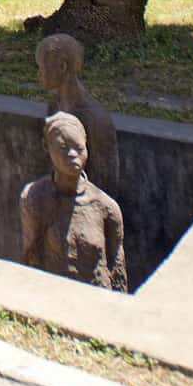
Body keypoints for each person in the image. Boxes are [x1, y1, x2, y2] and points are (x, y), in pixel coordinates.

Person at [19, 111, 127, 292]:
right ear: (47, 147)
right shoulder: (34, 198)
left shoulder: (106, 207)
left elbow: (118, 271)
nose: (72, 154)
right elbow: (30, 258)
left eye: (78, 148)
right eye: (63, 147)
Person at [35, 33, 120, 198]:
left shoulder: (93, 118)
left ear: (62, 67)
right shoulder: (54, 107)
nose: (39, 74)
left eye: (42, 67)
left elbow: (106, 183)